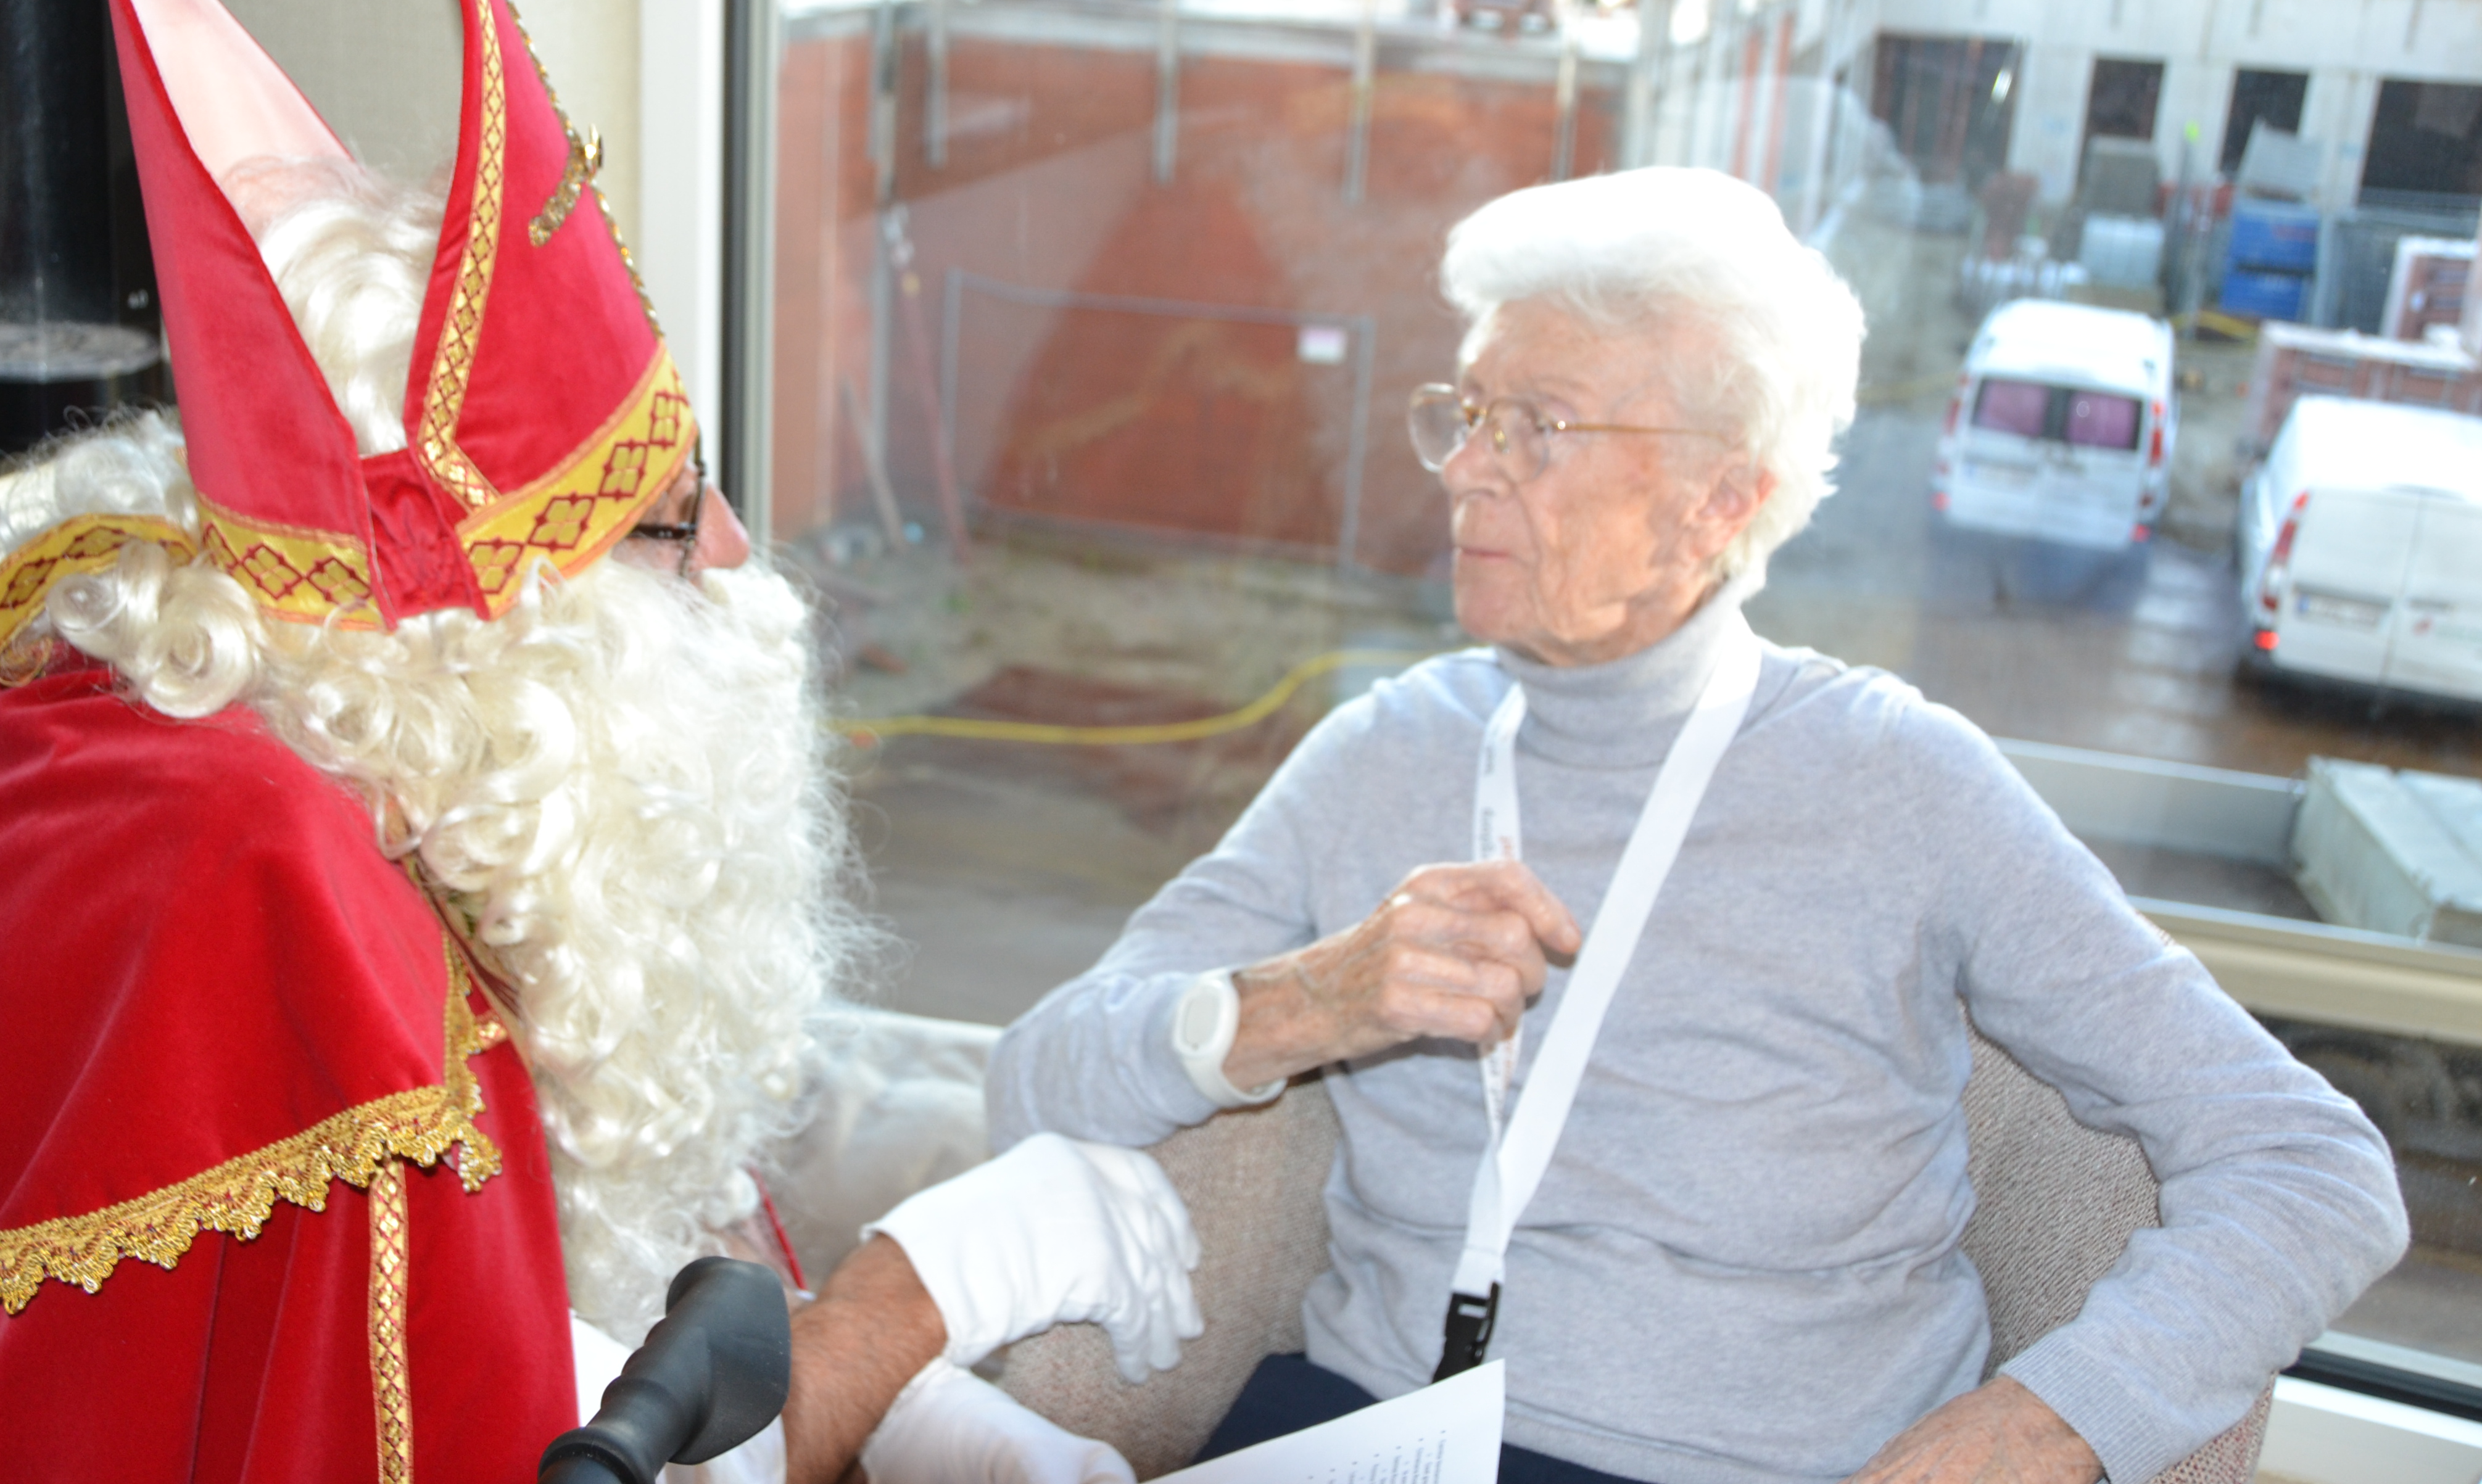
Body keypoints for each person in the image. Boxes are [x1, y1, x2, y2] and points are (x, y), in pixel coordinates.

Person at [0, 0, 1194, 1484]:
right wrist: (911, 1313)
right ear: (481, 625)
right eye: (669, 520)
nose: (741, 551)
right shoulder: (296, 920)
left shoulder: (194, 740)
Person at [988, 168, 2409, 1484]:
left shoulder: (1900, 782)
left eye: (1538, 427)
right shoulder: (1386, 749)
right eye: (1467, 413)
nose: (1466, 469)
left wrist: (2044, 1421)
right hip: (1371, 1435)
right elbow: (1036, 1077)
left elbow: (2313, 1166)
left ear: (1720, 500)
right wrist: (1301, 1002)